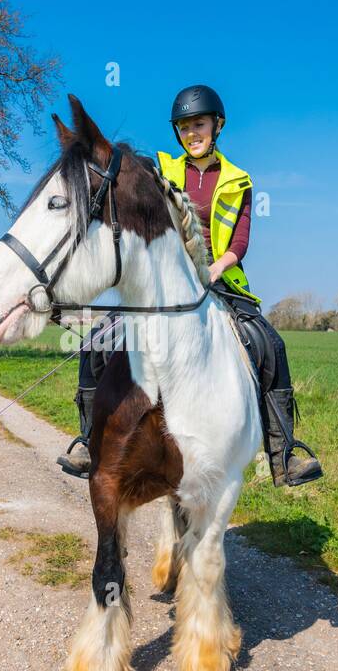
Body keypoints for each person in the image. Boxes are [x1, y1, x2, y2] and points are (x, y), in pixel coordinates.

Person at [56, 85, 323, 487]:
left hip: (220, 280)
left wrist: (215, 268)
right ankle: (88, 442)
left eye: (198, 124)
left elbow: (240, 242)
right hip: (165, 280)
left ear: (217, 126)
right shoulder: (164, 169)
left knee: (270, 344)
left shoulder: (238, 179)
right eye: (183, 127)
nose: (191, 133)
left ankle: (282, 452)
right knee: (96, 340)